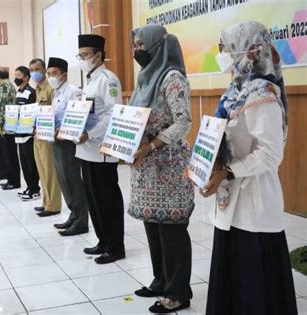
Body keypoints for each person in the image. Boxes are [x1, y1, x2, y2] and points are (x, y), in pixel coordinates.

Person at [202, 21, 297, 315]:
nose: (220, 54)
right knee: (232, 281)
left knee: (254, 287)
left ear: (247, 49)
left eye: (223, 48)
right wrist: (206, 164)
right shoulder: (236, 89)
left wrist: (227, 172)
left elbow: (271, 154)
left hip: (254, 206)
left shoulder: (261, 93)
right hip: (231, 202)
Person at [128, 24, 194, 313]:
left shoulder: (172, 78)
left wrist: (150, 145)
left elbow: (183, 122)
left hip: (168, 165)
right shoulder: (146, 77)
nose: (137, 50)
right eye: (136, 45)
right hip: (146, 165)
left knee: (171, 229)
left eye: (142, 45)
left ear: (157, 45)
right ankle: (160, 280)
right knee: (153, 225)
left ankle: (178, 292)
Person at [76, 34, 125, 263]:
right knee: (93, 198)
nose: (82, 59)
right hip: (85, 148)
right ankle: (102, 240)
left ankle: (115, 246)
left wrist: (90, 134)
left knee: (107, 198)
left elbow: (114, 114)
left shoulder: (108, 79)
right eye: (80, 55)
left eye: (85, 55)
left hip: (102, 148)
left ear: (98, 55)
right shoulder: (90, 80)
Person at [45, 57, 89, 233]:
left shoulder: (73, 92)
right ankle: (73, 216)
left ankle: (81, 221)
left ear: (64, 74)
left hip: (69, 143)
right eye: (48, 74)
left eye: (54, 73)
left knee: (73, 181)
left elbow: (78, 118)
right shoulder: (56, 93)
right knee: (64, 181)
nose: (50, 77)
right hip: (56, 141)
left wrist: (63, 131)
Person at [29, 58, 62, 214]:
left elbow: (56, 112)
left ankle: (53, 205)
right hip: (38, 134)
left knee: (50, 171)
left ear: (44, 70)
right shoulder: (38, 88)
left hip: (48, 136)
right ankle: (45, 201)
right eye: (32, 70)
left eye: (37, 69)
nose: (34, 73)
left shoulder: (50, 88)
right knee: (41, 170)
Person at [14, 66, 40, 201]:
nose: (16, 78)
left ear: (26, 77)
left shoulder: (32, 92)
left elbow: (32, 113)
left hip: (28, 134)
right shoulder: (18, 92)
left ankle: (35, 189)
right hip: (18, 134)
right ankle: (29, 186)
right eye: (15, 75)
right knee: (23, 162)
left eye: (18, 76)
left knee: (31, 163)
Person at [0, 67, 19, 190]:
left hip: (7, 127)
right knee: (10, 154)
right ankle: (11, 179)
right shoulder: (11, 85)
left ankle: (13, 181)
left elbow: (3, 107)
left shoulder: (3, 87)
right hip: (11, 124)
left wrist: (1, 128)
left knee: (9, 155)